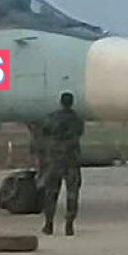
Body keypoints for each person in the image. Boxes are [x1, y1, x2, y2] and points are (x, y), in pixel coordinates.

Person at [40, 92, 85, 236]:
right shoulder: (77, 120)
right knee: (72, 193)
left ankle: (48, 224)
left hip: (55, 159)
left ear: (60, 102)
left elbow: (45, 132)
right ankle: (69, 224)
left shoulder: (52, 118)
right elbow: (80, 132)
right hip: (72, 159)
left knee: (51, 192)